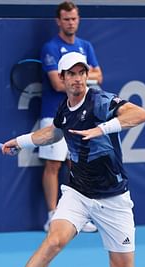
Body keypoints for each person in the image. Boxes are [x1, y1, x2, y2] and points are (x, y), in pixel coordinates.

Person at [0, 52, 145, 267]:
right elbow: (54, 133)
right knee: (54, 241)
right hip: (78, 193)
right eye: (72, 74)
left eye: (82, 73)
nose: (78, 79)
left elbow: (140, 114)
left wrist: (102, 129)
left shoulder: (101, 101)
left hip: (114, 198)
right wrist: (19, 142)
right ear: (63, 78)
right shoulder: (64, 109)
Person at [40, 1, 103, 232]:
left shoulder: (86, 46)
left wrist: (77, 78)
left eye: (74, 18)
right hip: (53, 115)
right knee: (53, 165)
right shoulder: (51, 47)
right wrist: (85, 77)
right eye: (66, 19)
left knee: (76, 164)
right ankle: (51, 215)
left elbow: (100, 75)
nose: (71, 22)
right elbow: (57, 84)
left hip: (82, 114)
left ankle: (78, 215)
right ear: (59, 21)